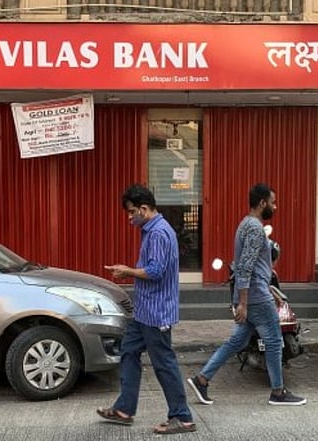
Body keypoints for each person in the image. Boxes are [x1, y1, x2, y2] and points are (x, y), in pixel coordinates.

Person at [187, 183, 306, 406]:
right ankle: (278, 393)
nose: (275, 206)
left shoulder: (245, 224)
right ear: (262, 203)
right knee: (273, 341)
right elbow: (245, 267)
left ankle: (201, 379)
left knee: (236, 341)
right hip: (255, 297)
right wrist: (243, 303)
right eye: (272, 202)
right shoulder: (253, 228)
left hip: (255, 293)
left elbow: (256, 268)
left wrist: (271, 290)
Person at [96, 184, 196, 435]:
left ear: (143, 209)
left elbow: (155, 271)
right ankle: (124, 409)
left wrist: (126, 271)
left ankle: (182, 417)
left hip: (157, 313)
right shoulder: (150, 230)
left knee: (164, 363)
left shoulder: (160, 233)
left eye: (131, 213)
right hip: (144, 312)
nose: (129, 218)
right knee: (129, 352)